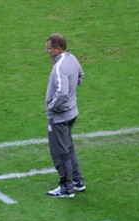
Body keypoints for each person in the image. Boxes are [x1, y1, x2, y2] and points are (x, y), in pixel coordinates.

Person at [44, 33, 86, 198]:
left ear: (58, 48)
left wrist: (51, 106)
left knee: (60, 153)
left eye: (49, 49)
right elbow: (81, 76)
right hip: (71, 113)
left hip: (60, 117)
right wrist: (71, 97)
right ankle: (77, 181)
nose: (47, 52)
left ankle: (66, 189)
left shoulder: (60, 66)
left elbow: (61, 92)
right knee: (68, 148)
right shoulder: (72, 58)